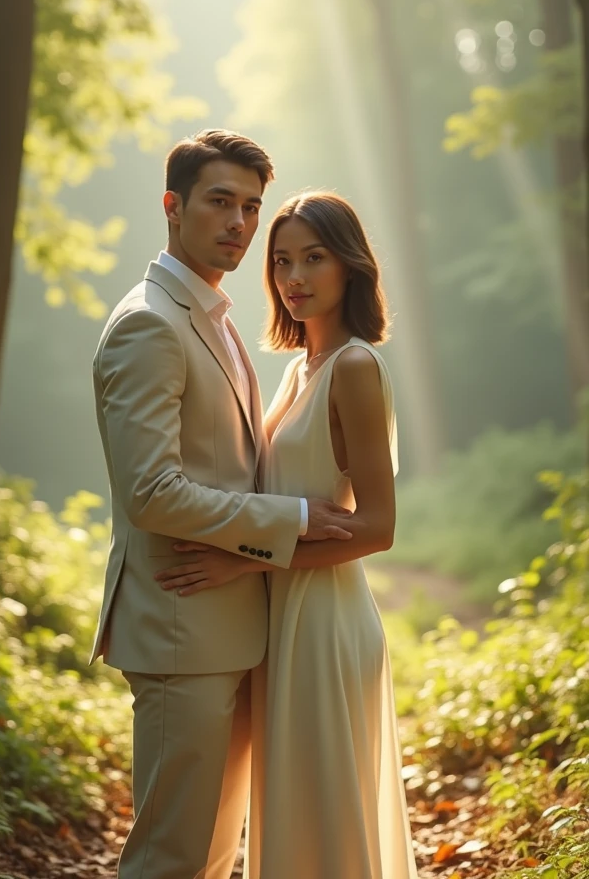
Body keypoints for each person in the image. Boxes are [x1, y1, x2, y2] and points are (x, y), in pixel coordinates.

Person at [90, 134, 353, 879]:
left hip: (229, 628)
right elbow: (149, 490)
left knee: (208, 857)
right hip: (181, 630)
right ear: (172, 207)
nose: (239, 222)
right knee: (172, 858)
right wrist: (294, 519)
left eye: (250, 207)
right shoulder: (151, 323)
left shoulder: (213, 317)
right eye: (219, 202)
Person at [156, 191, 418, 878]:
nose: (294, 276)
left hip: (327, 622)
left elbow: (379, 529)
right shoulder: (297, 368)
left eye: (313, 257)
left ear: (350, 266)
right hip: (282, 620)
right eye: (280, 261)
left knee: (325, 811)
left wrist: (241, 564)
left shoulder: (356, 368)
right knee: (293, 809)